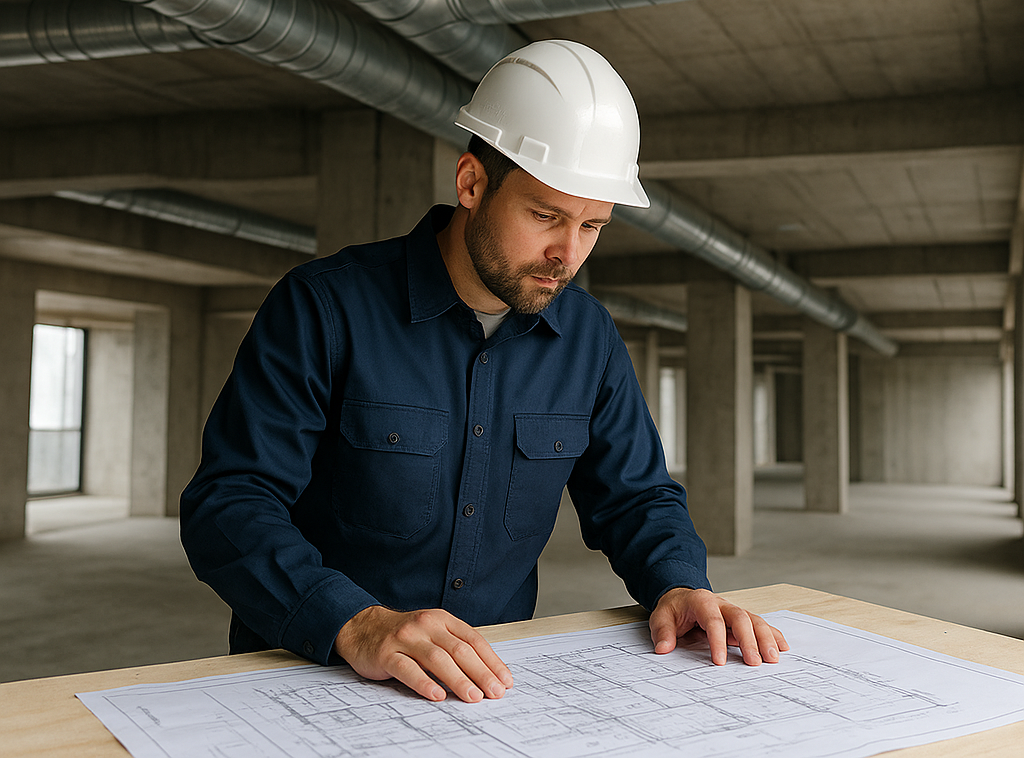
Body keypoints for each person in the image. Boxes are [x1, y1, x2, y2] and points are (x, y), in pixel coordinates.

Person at [180, 39, 788, 705]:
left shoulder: (589, 339)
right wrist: (355, 623)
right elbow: (230, 504)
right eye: (545, 215)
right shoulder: (325, 307)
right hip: (314, 675)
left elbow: (637, 496)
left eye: (593, 226)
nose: (567, 253)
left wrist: (678, 582)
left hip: (486, 693)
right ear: (471, 183)